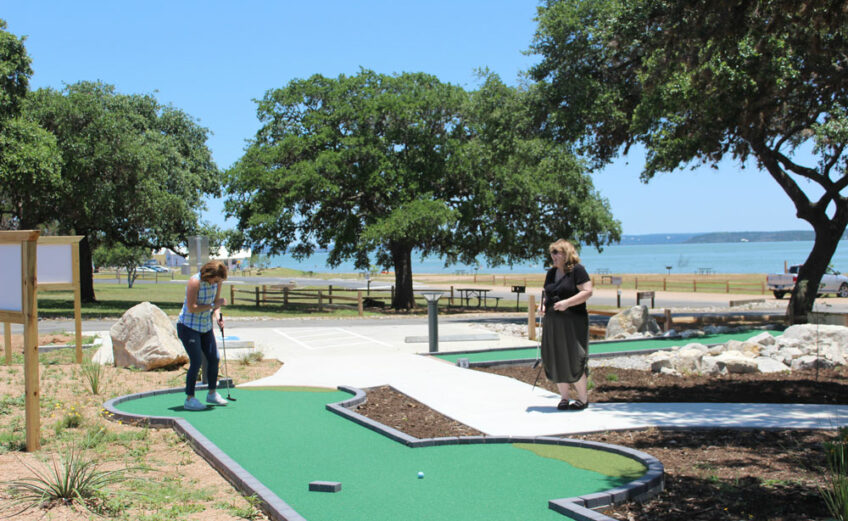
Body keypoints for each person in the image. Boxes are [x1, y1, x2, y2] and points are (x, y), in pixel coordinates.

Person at [538, 239, 594, 411]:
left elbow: (587, 291)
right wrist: (542, 306)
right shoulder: (551, 273)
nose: (553, 256)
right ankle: (564, 397)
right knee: (556, 357)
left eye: (557, 253)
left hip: (573, 322)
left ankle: (583, 398)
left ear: (566, 253)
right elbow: (547, 295)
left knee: (574, 357)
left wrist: (567, 303)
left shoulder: (577, 270)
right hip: (553, 322)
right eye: (552, 253)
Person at [177, 260, 229, 410]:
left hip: (205, 326)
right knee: (196, 361)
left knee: (214, 358)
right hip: (188, 326)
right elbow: (192, 308)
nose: (217, 283)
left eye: (219, 281)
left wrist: (218, 316)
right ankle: (190, 399)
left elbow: (216, 304)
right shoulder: (195, 282)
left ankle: (212, 394)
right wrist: (213, 305)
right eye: (216, 279)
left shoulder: (217, 283)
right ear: (209, 275)